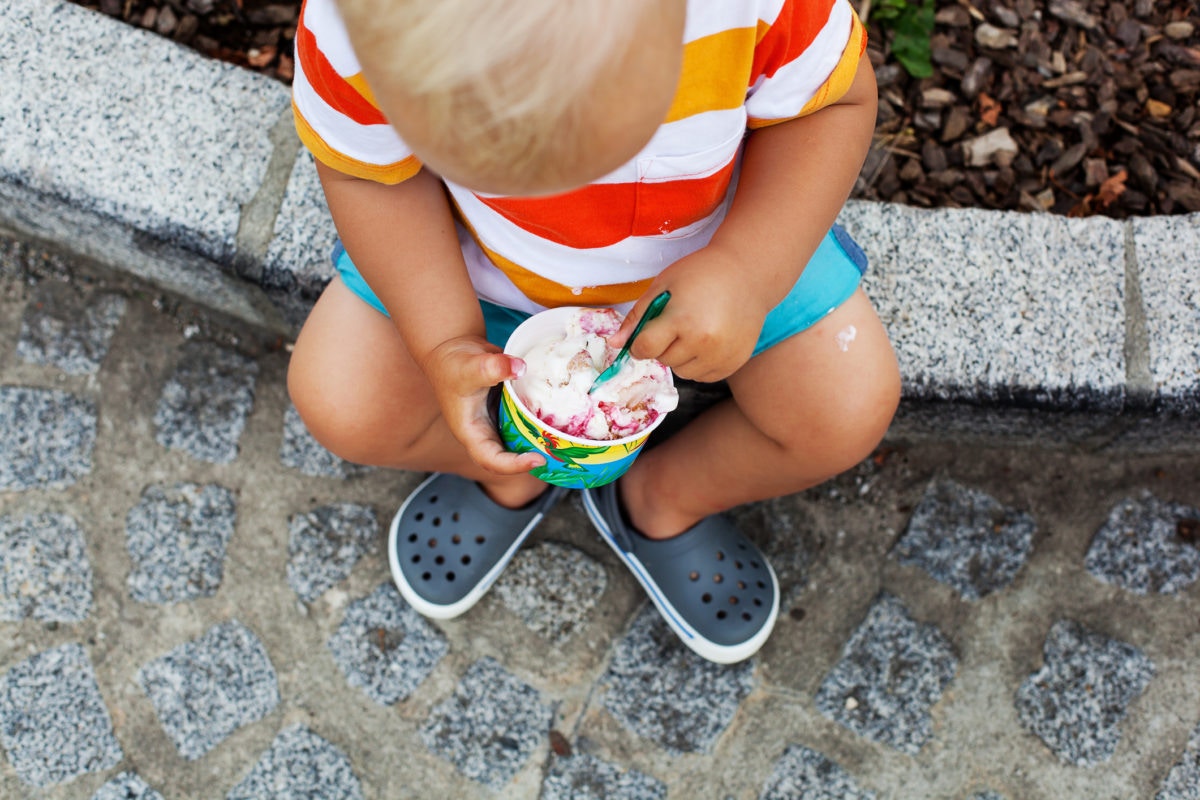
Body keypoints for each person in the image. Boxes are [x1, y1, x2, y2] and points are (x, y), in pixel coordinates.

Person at [287, 0, 901, 664]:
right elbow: (364, 170)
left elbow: (831, 105)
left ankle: (662, 495)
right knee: (340, 401)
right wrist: (442, 338)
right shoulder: (357, 25)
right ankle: (520, 468)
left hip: (724, 247)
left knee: (844, 410)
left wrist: (749, 271)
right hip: (471, 263)